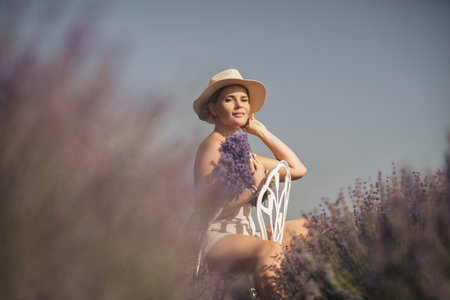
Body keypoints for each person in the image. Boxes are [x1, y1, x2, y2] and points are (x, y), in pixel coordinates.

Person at [192, 68, 308, 299]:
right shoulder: (211, 146)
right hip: (215, 237)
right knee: (271, 250)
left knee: (309, 227)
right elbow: (206, 211)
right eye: (229, 99)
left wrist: (261, 131)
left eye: (244, 100)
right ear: (214, 108)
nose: (239, 105)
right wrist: (253, 189)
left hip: (245, 231)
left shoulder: (245, 152)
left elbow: (297, 169)